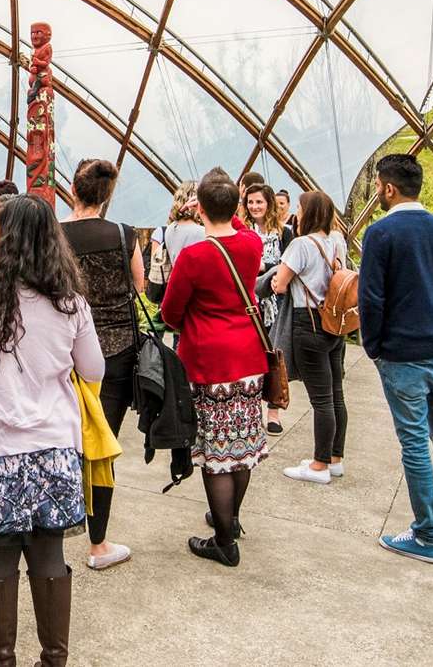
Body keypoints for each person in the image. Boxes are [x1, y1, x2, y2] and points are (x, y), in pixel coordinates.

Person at [0, 194, 103, 667]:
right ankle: (54, 659)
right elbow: (93, 368)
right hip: (52, 446)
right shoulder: (70, 303)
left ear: (3, 238)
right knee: (49, 554)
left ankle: (2, 660)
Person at [357, 153, 433, 565]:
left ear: (388, 188)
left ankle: (426, 534)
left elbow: (370, 297)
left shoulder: (381, 234)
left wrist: (372, 345)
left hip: (402, 354)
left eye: (377, 186)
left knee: (414, 444)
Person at [159, 170, 269, 567]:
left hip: (208, 361)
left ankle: (223, 540)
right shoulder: (252, 245)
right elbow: (237, 226)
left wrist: (205, 209)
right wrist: (226, 211)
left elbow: (170, 313)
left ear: (199, 208)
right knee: (240, 445)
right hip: (248, 357)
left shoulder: (194, 255)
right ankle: (232, 519)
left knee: (216, 452)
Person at [59, 159, 146, 572]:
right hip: (117, 349)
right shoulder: (124, 234)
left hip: (67, 347)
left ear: (73, 190)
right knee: (103, 446)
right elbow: (140, 284)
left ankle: (53, 527)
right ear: (106, 195)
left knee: (62, 438)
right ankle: (99, 543)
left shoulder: (56, 234)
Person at [260, 190, 349, 485]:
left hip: (307, 322)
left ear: (308, 213)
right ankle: (335, 458)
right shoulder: (337, 240)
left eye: (299, 208)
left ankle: (319, 465)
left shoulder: (301, 244)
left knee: (320, 399)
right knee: (335, 393)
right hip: (333, 323)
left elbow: (281, 284)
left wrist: (275, 279)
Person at [243, 182, 293, 433]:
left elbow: (289, 264)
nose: (254, 206)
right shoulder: (241, 231)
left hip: (275, 304)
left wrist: (263, 266)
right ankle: (251, 408)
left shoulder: (284, 233)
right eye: (250, 202)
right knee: (249, 357)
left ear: (269, 203)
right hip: (247, 303)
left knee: (274, 356)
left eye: (259, 201)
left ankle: (273, 412)